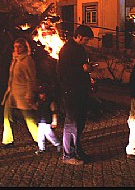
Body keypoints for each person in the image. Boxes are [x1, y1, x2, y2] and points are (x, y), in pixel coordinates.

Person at [57, 25, 94, 165]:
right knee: (72, 123)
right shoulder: (67, 50)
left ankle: (77, 150)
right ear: (78, 36)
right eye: (85, 40)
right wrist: (81, 68)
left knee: (79, 123)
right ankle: (68, 155)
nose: (87, 42)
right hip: (71, 91)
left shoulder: (79, 49)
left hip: (80, 90)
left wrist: (88, 76)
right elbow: (62, 71)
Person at [0, 38, 38, 148]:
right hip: (11, 93)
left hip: (23, 94)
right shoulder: (15, 59)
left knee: (29, 118)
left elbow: (31, 79)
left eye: (19, 46)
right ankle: (7, 141)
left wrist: (30, 94)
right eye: (15, 46)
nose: (17, 49)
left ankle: (39, 139)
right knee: (7, 117)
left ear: (25, 47)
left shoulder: (27, 60)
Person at [35, 83, 62, 155]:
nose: (41, 95)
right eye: (40, 94)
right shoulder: (39, 102)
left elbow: (54, 112)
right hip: (41, 122)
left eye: (42, 93)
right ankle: (41, 148)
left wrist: (54, 121)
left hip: (47, 122)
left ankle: (58, 144)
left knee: (49, 135)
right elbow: (36, 109)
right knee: (40, 136)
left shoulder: (50, 102)